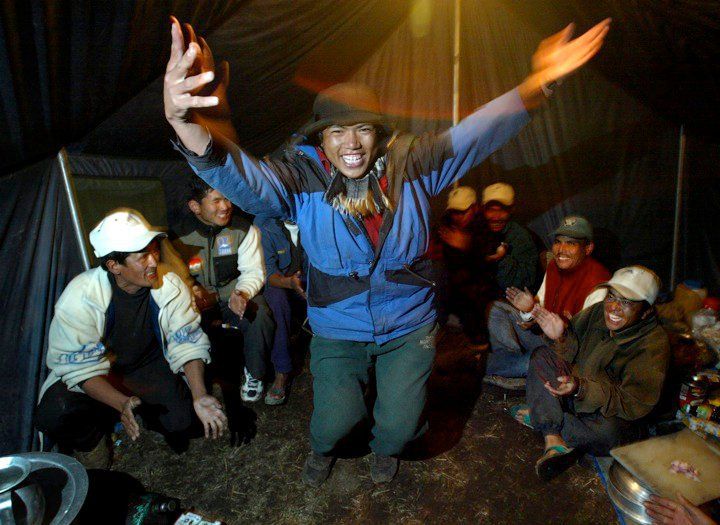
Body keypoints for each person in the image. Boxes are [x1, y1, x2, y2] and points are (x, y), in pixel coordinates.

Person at [162, 16, 611, 485]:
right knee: (334, 423)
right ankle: (323, 449)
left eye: (362, 130)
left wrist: (536, 85)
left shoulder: (412, 165)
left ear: (378, 136)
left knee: (400, 430)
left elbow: (476, 133)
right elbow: (242, 176)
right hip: (339, 326)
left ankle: (386, 448)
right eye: (336, 133)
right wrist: (182, 120)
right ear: (320, 140)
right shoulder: (300, 178)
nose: (350, 143)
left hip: (408, 322)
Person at [35, 209, 227, 467]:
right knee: (55, 411)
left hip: (147, 367)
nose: (153, 261)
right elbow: (78, 368)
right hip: (101, 374)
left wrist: (199, 394)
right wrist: (121, 402)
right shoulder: (81, 296)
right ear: (114, 265)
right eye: (143, 256)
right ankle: (93, 443)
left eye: (154, 250)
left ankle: (145, 412)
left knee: (182, 423)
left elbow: (188, 340)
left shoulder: (169, 283)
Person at [515, 265, 670, 480]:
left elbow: (633, 403)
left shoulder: (653, 344)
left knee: (610, 434)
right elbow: (569, 352)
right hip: (572, 390)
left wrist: (581, 388)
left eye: (626, 302)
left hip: (605, 413)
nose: (614, 308)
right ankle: (553, 438)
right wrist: (560, 337)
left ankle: (548, 417)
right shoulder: (598, 312)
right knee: (542, 355)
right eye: (612, 297)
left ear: (646, 311)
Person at [171, 177, 275, 403]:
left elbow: (253, 271)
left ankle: (255, 373)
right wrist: (190, 291)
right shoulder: (177, 235)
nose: (225, 206)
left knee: (260, 313)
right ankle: (187, 374)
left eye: (227, 198)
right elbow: (173, 275)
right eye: (216, 200)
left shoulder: (243, 229)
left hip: (231, 294)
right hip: (195, 299)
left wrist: (243, 293)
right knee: (174, 317)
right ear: (195, 206)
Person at [484, 215, 610, 389]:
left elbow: (582, 350)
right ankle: (512, 362)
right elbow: (538, 311)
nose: (561, 250)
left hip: (565, 355)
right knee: (495, 308)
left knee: (523, 362)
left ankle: (510, 368)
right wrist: (528, 310)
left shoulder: (598, 285)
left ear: (588, 248)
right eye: (558, 242)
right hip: (543, 338)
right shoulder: (554, 266)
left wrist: (558, 333)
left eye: (571, 243)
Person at [433, 186, 496, 347]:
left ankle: (479, 345)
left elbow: (487, 260)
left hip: (476, 286)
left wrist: (468, 246)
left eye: (462, 212)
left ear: (474, 208)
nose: (457, 217)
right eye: (454, 212)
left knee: (471, 297)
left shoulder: (484, 225)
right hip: (450, 284)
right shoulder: (447, 223)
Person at [254, 216, 307, 404]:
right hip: (283, 284)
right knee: (276, 298)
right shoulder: (264, 225)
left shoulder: (313, 216)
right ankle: (282, 371)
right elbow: (268, 273)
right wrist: (291, 284)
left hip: (311, 281)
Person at [481, 182, 538, 292]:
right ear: (483, 210)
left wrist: (501, 258)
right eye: (491, 210)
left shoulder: (521, 237)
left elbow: (521, 286)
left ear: (512, 210)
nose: (496, 217)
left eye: (502, 210)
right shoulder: (477, 231)